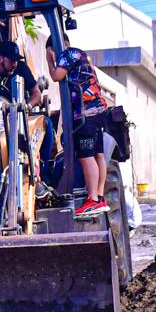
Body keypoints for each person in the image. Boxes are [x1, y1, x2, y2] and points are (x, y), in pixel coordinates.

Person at [48, 43, 110, 216]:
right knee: (99, 155)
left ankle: (92, 199)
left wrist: (49, 59)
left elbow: (56, 76)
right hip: (99, 111)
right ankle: (99, 197)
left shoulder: (67, 55)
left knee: (86, 157)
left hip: (86, 113)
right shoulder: (81, 55)